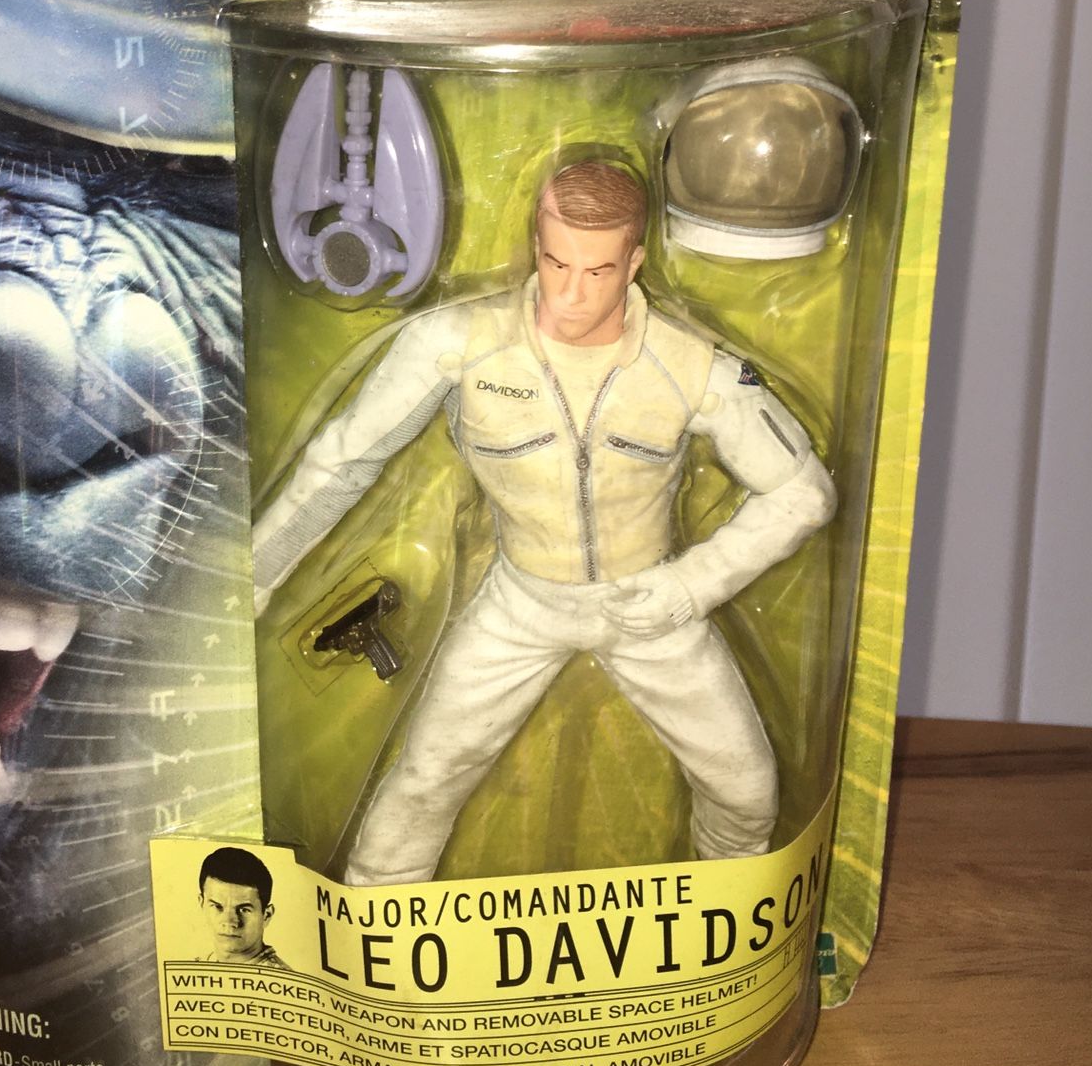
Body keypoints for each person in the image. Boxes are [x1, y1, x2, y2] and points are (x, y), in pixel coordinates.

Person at [253, 160, 836, 886]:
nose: (571, 292)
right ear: (535, 246)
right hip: (521, 606)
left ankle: (727, 922)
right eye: (557, 262)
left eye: (597, 270)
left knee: (746, 789)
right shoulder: (458, 343)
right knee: (428, 777)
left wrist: (693, 585)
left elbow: (804, 494)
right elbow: (342, 462)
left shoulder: (692, 367)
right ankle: (378, 929)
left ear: (635, 263)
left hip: (650, 607)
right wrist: (252, 578)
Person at [197, 846, 286, 966]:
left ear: (266, 915)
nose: (229, 922)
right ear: (202, 904)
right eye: (218, 907)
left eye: (244, 909)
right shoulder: (192, 969)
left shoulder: (278, 977)